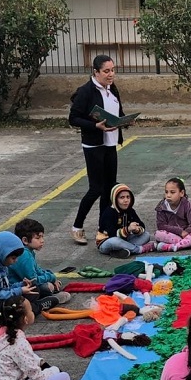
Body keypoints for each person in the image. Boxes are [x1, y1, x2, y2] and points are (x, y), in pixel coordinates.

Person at [68, 55, 125, 246]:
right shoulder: (86, 92)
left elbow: (118, 112)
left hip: (110, 143)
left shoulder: (112, 89)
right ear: (96, 72)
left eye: (113, 70)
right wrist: (95, 126)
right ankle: (77, 227)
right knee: (96, 188)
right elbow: (74, 118)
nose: (111, 74)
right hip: (94, 145)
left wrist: (125, 120)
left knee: (109, 188)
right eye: (106, 71)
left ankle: (103, 227)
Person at [9, 218, 71, 313]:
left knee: (49, 284)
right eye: (38, 238)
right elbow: (33, 280)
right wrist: (51, 277)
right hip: (17, 289)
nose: (42, 241)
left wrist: (49, 275)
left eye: (42, 237)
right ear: (25, 240)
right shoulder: (24, 255)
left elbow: (37, 270)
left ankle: (49, 295)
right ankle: (44, 300)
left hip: (22, 286)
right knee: (46, 287)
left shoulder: (28, 251)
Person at [97, 183, 154, 258]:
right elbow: (112, 234)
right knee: (115, 241)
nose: (126, 200)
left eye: (128, 197)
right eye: (122, 197)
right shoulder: (109, 212)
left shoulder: (130, 210)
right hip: (106, 242)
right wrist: (128, 229)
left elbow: (141, 225)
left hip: (125, 240)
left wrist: (136, 230)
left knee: (146, 235)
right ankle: (138, 250)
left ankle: (120, 251)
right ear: (115, 199)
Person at [155, 178, 191, 252]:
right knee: (158, 234)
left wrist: (186, 232)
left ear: (182, 193)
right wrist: (179, 231)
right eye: (166, 192)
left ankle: (176, 246)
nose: (168, 195)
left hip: (187, 234)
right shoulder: (161, 207)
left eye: (172, 192)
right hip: (172, 235)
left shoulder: (186, 204)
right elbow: (161, 226)